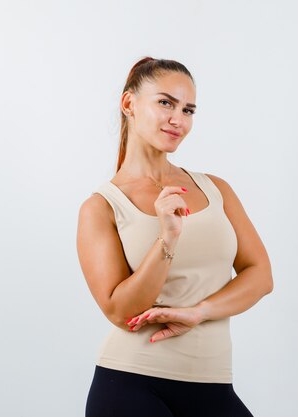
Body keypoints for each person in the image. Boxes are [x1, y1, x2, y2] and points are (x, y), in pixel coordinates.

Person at [76, 57, 273, 417]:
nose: (178, 119)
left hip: (213, 383)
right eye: (165, 102)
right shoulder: (102, 206)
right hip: (131, 383)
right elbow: (120, 312)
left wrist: (199, 312)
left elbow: (260, 274)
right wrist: (167, 239)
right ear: (129, 104)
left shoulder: (216, 189)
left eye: (188, 109)